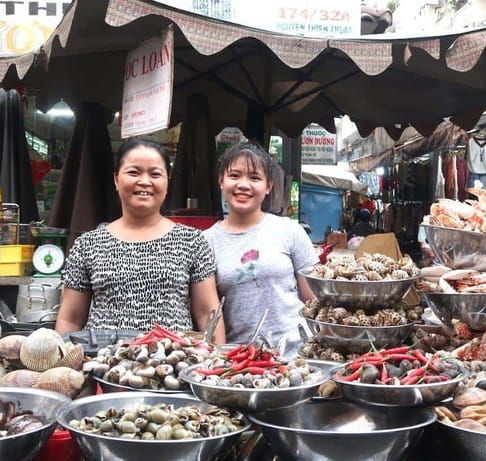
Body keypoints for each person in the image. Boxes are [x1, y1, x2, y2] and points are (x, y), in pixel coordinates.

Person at [55, 137, 225, 342]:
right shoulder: (88, 245)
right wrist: (62, 357)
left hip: (172, 358)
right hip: (102, 359)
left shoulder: (192, 241)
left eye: (155, 174)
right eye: (134, 172)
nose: (145, 181)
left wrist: (217, 358)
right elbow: (70, 319)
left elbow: (208, 314)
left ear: (167, 182)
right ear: (116, 179)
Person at [203, 142, 318, 356]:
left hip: (297, 357)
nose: (243, 185)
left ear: (268, 186)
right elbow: (209, 312)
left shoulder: (289, 230)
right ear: (221, 181)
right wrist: (218, 357)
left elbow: (314, 301)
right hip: (240, 361)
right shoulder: (206, 241)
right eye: (234, 175)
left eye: (254, 178)